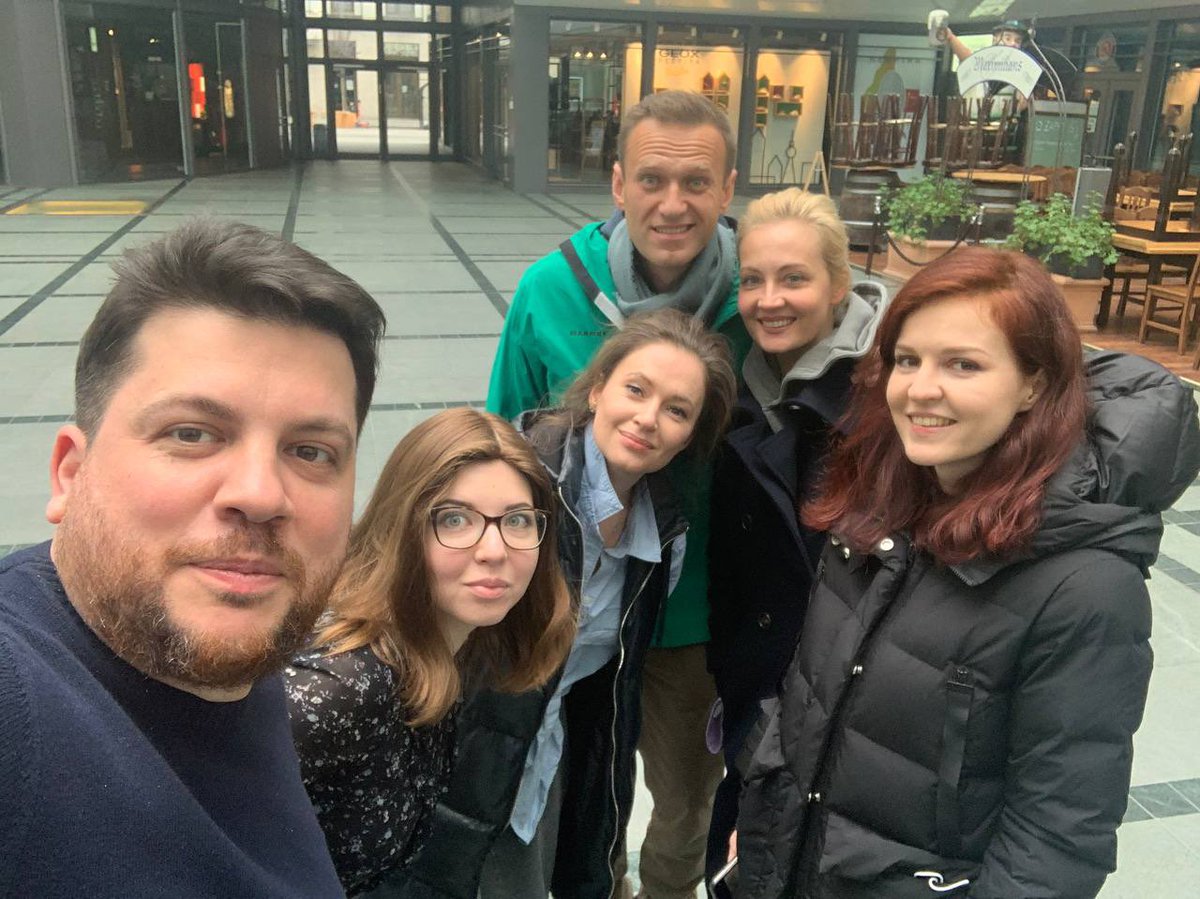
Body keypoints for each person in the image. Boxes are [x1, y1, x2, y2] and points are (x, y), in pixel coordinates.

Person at [733, 247, 1200, 898]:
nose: (921, 389)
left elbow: (1055, 841)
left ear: (1033, 385)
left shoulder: (1085, 588)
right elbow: (812, 686)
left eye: (963, 364)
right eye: (907, 360)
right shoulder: (878, 498)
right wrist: (764, 822)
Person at [408, 90, 751, 899]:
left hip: (694, 615)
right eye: (652, 179)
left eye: (696, 182)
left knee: (684, 802)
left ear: (728, 189)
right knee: (570, 773)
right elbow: (495, 442)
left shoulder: (758, 303)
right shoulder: (550, 290)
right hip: (566, 609)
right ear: (618, 183)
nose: (673, 203)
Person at [0, 219, 386, 897]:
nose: (260, 495)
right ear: (70, 473)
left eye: (311, 451)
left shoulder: (236, 648)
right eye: (191, 433)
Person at [404, 310, 736, 899]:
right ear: (599, 388)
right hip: (451, 757)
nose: (648, 418)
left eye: (677, 410)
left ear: (690, 435)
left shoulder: (662, 534)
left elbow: (602, 685)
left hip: (542, 760)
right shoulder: (516, 482)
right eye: (636, 389)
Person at [285, 408, 575, 897]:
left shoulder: (452, 647)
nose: (494, 550)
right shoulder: (343, 685)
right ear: (404, 528)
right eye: (455, 519)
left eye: (518, 520)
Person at [704, 189, 887, 882]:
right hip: (758, 700)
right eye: (752, 280)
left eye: (794, 278)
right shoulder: (747, 383)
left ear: (840, 285)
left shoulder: (885, 396)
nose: (769, 299)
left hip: (838, 716)